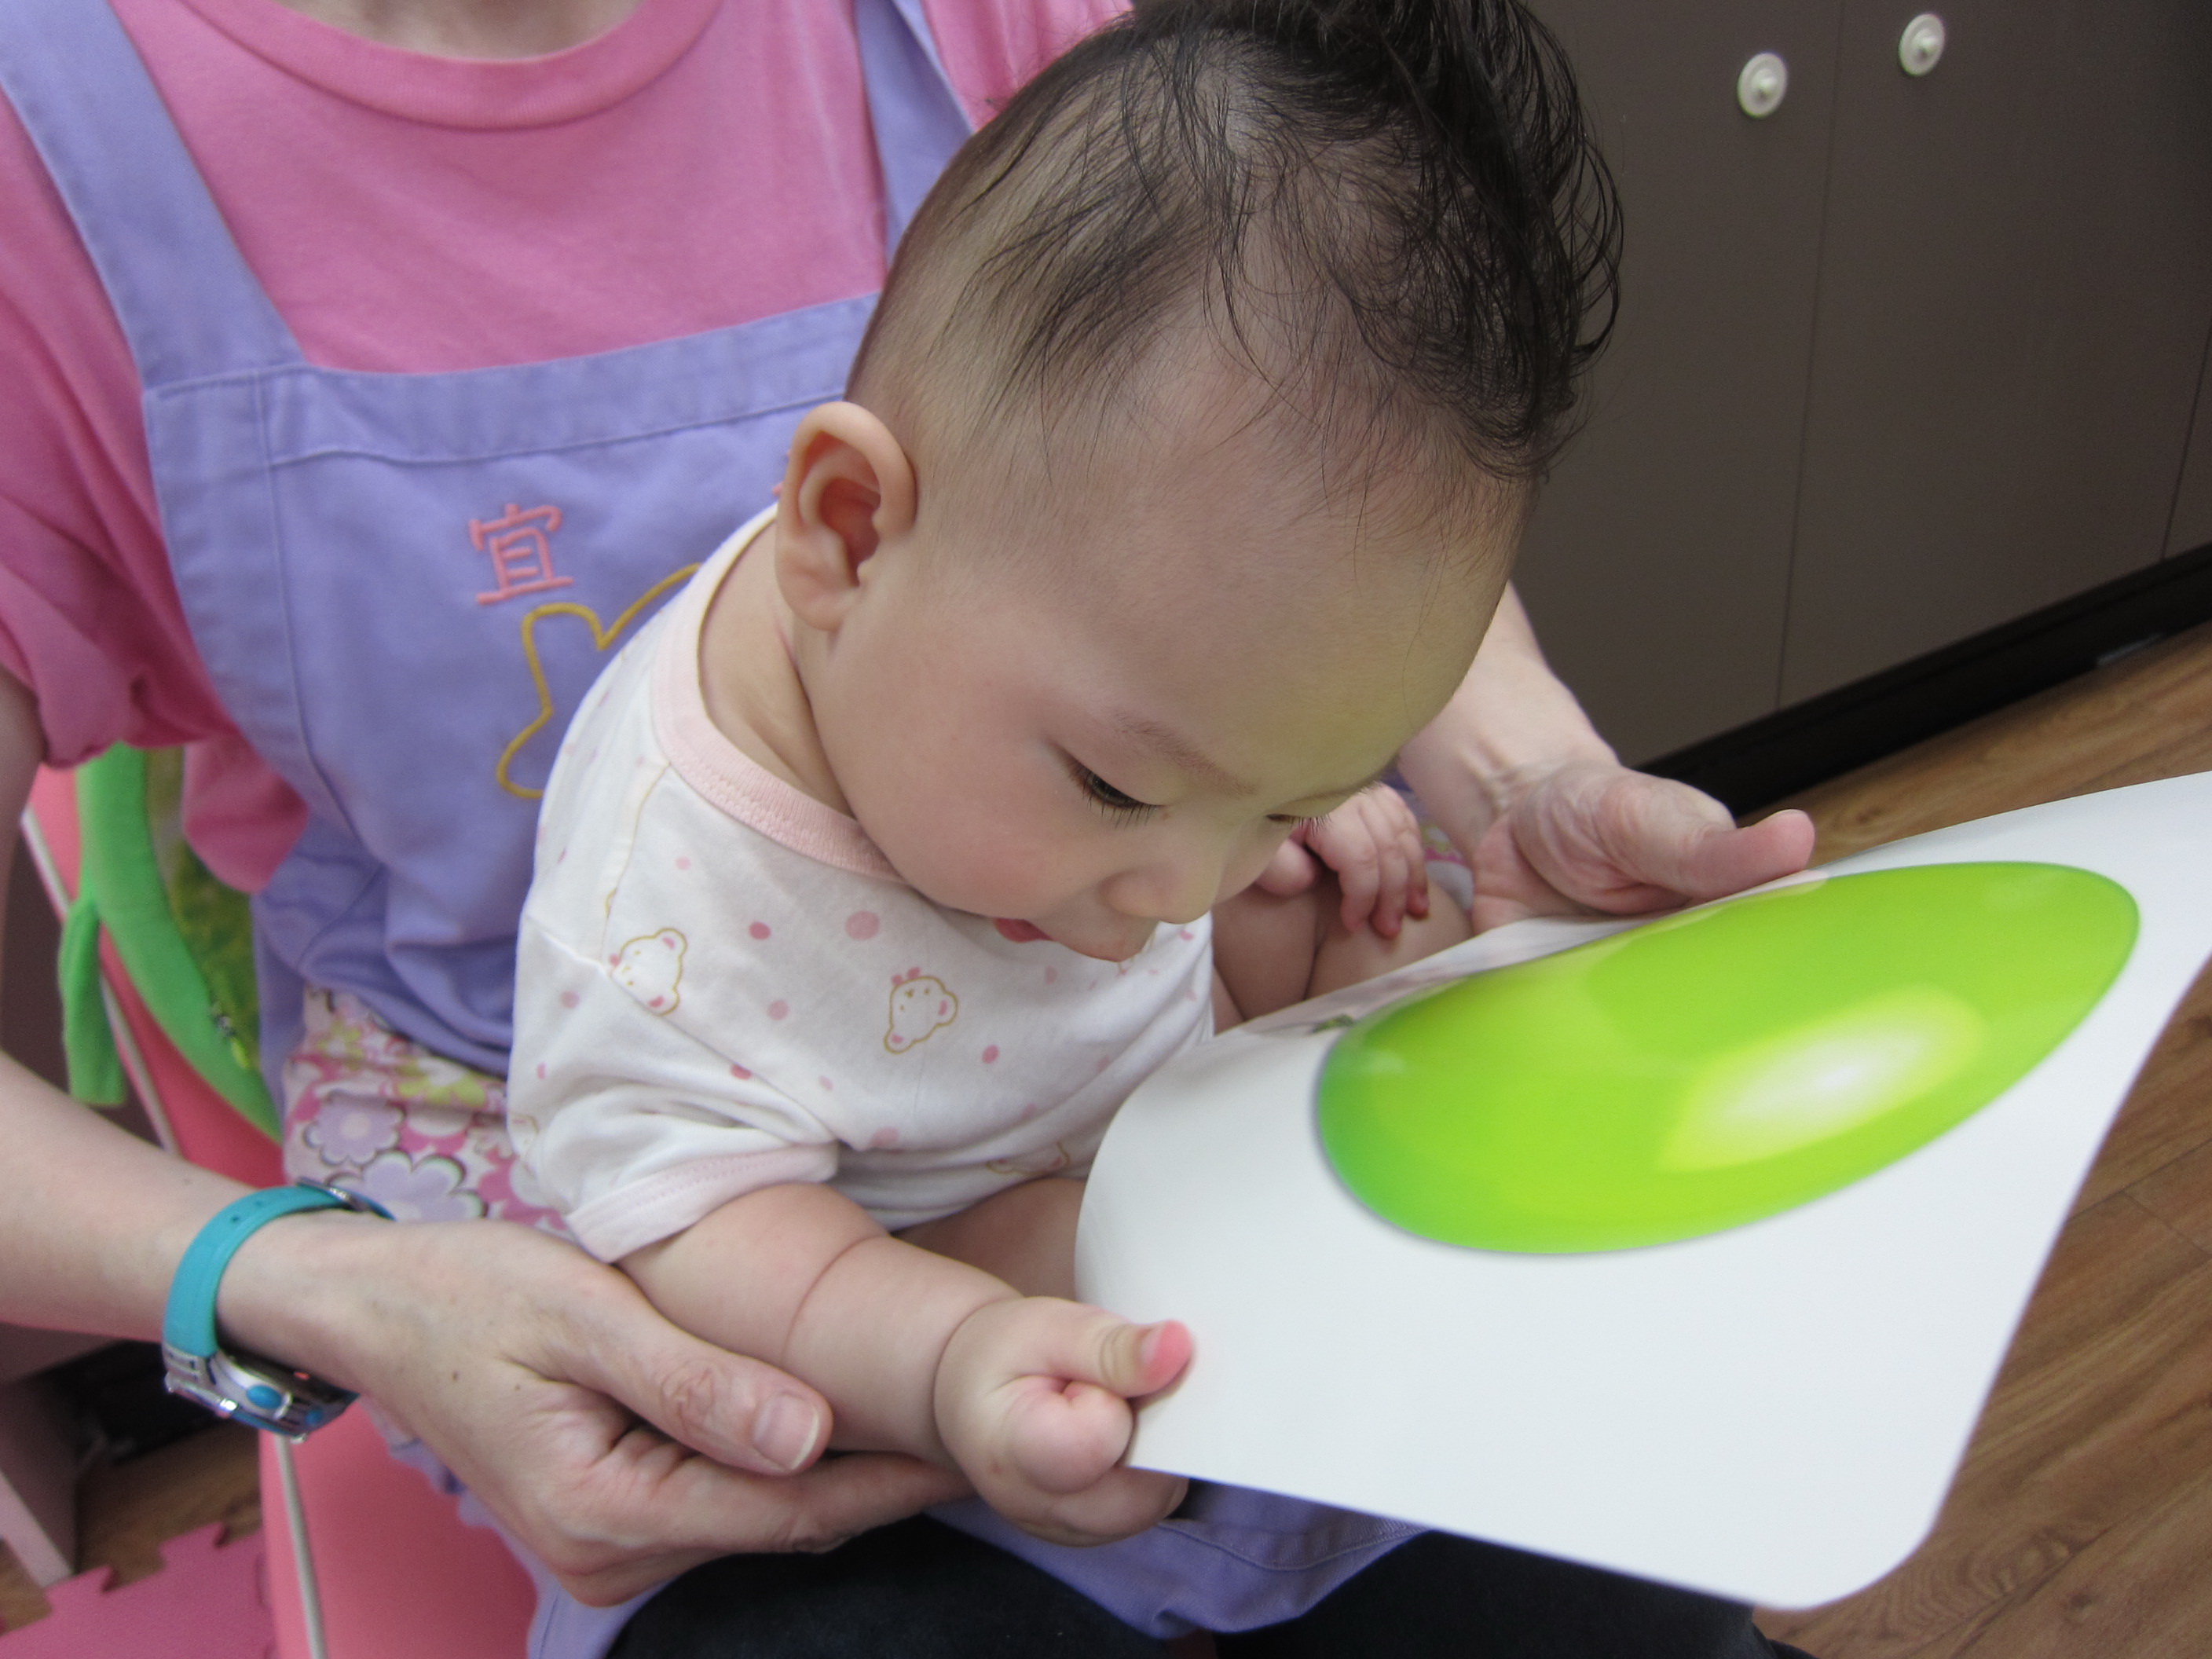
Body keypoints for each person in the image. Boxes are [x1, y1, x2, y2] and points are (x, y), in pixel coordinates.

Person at [0, 0, 1815, 1649]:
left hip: (1048, 1071)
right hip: (693, 1178)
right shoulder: (663, 929)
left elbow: (1274, 533)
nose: (1177, 889)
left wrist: (1446, 801)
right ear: (848, 531)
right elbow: (725, 1242)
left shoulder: (1130, 772)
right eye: (1121, 787)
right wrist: (944, 1355)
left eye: (1261, 799)